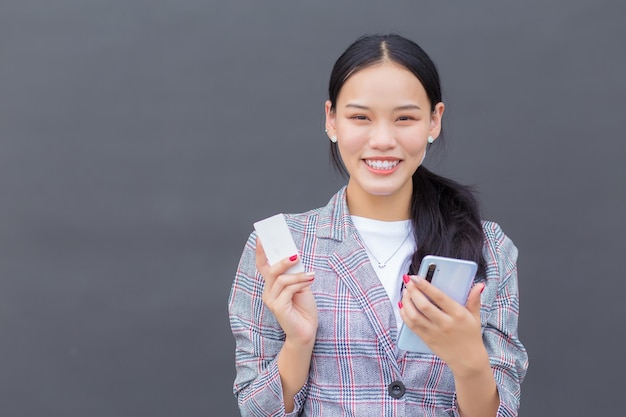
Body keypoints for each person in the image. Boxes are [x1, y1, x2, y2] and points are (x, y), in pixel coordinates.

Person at [228, 33, 528, 417]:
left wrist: (468, 359)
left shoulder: (488, 246)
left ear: (434, 121)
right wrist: (299, 343)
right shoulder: (282, 247)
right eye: (359, 117)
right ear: (331, 120)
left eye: (405, 118)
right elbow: (256, 411)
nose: (383, 140)